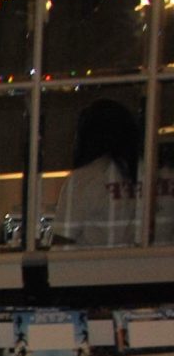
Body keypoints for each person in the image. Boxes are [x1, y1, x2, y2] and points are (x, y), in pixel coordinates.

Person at [47, 98, 143, 248]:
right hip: (146, 261)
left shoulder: (84, 180)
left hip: (95, 261)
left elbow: (62, 244)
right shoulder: (146, 175)